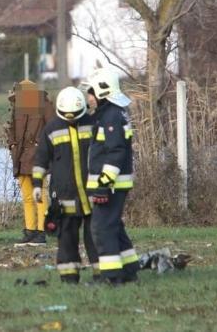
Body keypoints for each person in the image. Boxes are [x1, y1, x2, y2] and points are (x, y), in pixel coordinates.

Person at [33, 87, 99, 283]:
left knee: (95, 238)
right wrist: (37, 184)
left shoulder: (93, 124)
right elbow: (41, 159)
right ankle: (69, 278)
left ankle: (102, 276)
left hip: (93, 194)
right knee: (67, 240)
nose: (71, 119)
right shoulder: (51, 129)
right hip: (64, 197)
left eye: (75, 116)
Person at [83, 68, 139, 285]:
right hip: (115, 183)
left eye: (91, 92)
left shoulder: (111, 116)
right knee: (114, 225)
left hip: (111, 184)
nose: (88, 97)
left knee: (102, 227)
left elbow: (115, 152)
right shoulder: (114, 113)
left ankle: (111, 276)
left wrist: (103, 185)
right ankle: (130, 269)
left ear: (102, 91)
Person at [7, 80, 54, 246]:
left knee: (40, 196)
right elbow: (11, 128)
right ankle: (29, 231)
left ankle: (41, 232)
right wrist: (11, 144)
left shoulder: (46, 106)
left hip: (38, 159)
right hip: (20, 158)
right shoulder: (17, 108)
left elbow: (53, 129)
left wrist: (43, 147)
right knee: (27, 197)